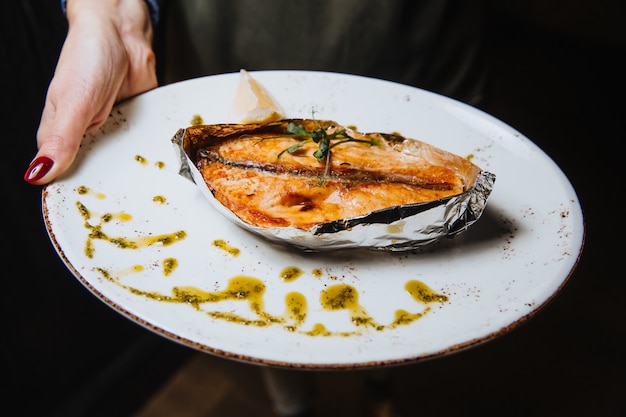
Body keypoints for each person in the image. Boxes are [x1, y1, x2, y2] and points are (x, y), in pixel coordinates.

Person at [18, 1, 488, 416]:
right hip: (226, 35)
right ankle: (294, 405)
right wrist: (107, 11)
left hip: (402, 40)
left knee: (398, 291)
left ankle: (380, 385)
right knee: (264, 290)